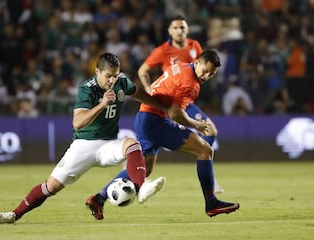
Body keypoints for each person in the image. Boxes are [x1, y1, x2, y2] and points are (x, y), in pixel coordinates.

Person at [0, 53, 166, 224]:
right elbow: (77, 123)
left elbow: (139, 94)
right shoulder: (86, 89)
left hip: (108, 144)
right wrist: (102, 104)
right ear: (97, 71)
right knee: (51, 187)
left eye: (115, 75)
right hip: (84, 145)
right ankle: (14, 215)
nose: (112, 80)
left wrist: (163, 108)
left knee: (132, 144)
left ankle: (141, 188)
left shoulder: (121, 82)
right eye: (108, 76)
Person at [87, 50, 240, 219]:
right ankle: (211, 203)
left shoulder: (181, 66)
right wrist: (195, 124)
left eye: (211, 74)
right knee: (205, 150)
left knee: (144, 169)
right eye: (205, 71)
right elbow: (175, 113)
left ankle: (99, 198)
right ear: (196, 63)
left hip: (144, 117)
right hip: (155, 121)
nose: (206, 76)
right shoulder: (190, 84)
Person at [137, 15, 224, 193]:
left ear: (187, 30)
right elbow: (143, 70)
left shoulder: (194, 46)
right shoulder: (162, 51)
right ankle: (205, 168)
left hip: (185, 101)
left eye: (182, 28)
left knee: (211, 133)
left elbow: (200, 73)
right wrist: (149, 89)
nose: (179, 31)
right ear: (169, 30)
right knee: (150, 159)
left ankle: (208, 175)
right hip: (169, 102)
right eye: (175, 28)